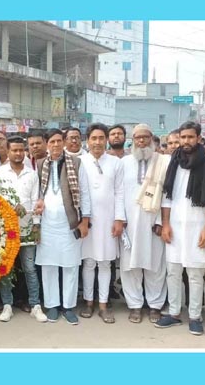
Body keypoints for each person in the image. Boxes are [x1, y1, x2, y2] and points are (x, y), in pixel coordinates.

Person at [155, 121, 205, 336]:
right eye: (183, 137)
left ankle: (195, 316)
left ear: (199, 138)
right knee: (172, 271)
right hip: (174, 227)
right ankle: (173, 313)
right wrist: (165, 224)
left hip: (198, 226)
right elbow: (166, 197)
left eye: (191, 137)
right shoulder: (174, 162)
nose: (186, 141)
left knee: (195, 273)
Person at [34, 129, 92, 324]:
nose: (56, 145)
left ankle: (68, 307)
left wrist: (85, 221)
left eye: (60, 141)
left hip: (70, 223)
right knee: (48, 265)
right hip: (47, 224)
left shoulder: (76, 163)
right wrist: (39, 205)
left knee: (70, 266)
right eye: (52, 141)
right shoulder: (41, 164)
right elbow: (38, 193)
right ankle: (51, 305)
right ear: (47, 144)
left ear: (64, 142)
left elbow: (84, 193)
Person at [0, 136, 46, 323]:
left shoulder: (31, 174)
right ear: (7, 151)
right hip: (5, 230)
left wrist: (36, 224)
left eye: (21, 150)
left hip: (27, 229)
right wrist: (7, 211)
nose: (18, 153)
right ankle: (7, 305)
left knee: (29, 268)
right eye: (14, 150)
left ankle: (35, 305)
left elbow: (36, 200)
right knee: (6, 268)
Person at [120, 124, 170, 324]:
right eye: (137, 138)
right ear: (132, 140)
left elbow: (167, 194)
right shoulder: (124, 163)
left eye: (145, 137)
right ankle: (134, 306)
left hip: (153, 222)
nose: (141, 141)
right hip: (129, 223)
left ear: (152, 138)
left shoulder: (163, 162)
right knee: (129, 266)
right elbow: (119, 193)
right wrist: (120, 218)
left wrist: (160, 221)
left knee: (155, 265)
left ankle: (155, 306)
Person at [78, 124, 125, 324]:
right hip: (87, 221)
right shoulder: (79, 162)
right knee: (88, 262)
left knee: (106, 263)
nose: (97, 142)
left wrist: (119, 219)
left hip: (108, 220)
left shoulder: (115, 163)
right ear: (87, 140)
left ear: (106, 140)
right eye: (93, 138)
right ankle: (88, 302)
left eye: (101, 138)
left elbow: (120, 192)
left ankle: (104, 305)